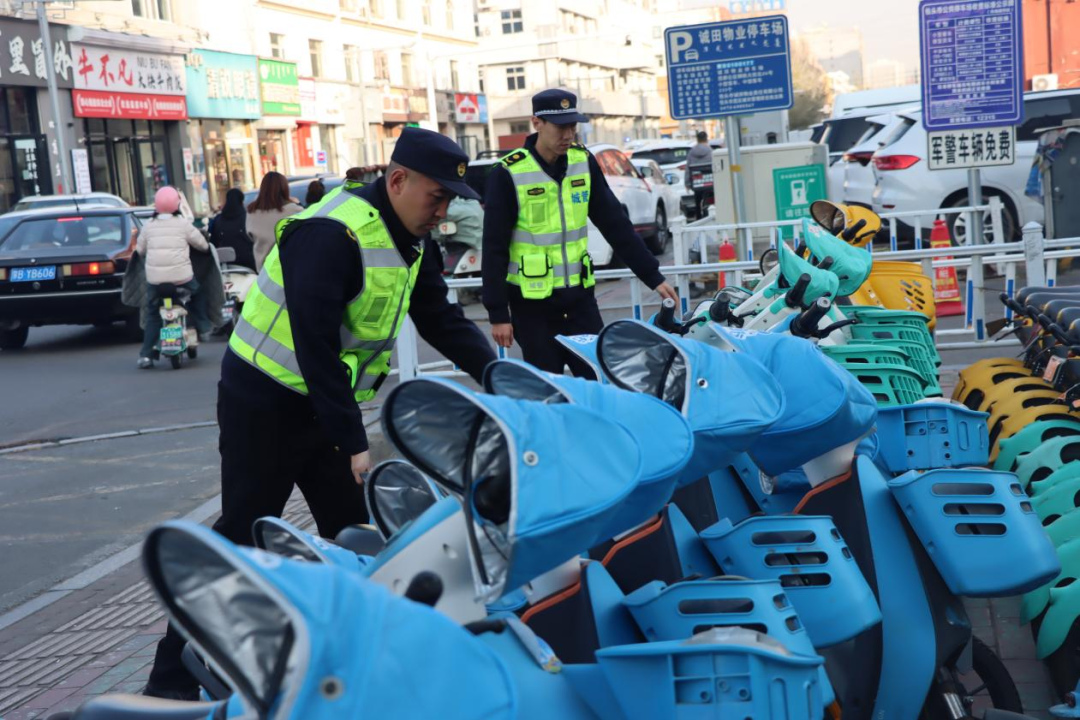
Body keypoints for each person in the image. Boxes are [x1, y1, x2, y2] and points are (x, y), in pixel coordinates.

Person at [144, 127, 496, 700]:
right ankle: (167, 688)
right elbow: (315, 344)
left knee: (356, 538)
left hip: (324, 406)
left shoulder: (412, 238)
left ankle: (363, 677)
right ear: (399, 180)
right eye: (437, 198)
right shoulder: (331, 233)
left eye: (450, 202)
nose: (443, 213)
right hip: (264, 402)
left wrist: (500, 378)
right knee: (240, 541)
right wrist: (354, 441)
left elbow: (441, 317)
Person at [481, 88, 677, 376]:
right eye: (560, 127)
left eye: (572, 126)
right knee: (549, 387)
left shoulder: (582, 163)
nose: (568, 134)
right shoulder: (509, 172)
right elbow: (494, 247)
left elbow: (615, 224)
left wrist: (652, 275)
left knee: (597, 378)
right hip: (532, 307)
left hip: (580, 301)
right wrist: (498, 313)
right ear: (537, 123)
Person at [135, 186, 211, 369]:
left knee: (153, 314)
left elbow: (139, 250)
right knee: (198, 295)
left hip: (155, 282)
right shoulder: (183, 224)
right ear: (177, 204)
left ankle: (146, 356)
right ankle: (203, 327)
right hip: (182, 279)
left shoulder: (148, 226)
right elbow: (202, 246)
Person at [246, 171, 302, 270]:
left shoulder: (251, 212)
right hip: (289, 269)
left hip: (263, 270)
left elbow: (250, 237)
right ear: (284, 188)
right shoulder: (295, 211)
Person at [207, 188, 255, 269]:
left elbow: (213, 242)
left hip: (224, 263)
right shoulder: (248, 218)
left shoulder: (218, 220)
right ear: (241, 201)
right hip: (248, 263)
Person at [685, 130, 713, 220]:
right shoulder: (710, 151)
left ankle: (699, 218)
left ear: (697, 140)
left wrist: (687, 183)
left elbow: (688, 168)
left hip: (697, 181)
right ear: (706, 139)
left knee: (697, 199)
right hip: (710, 181)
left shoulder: (691, 152)